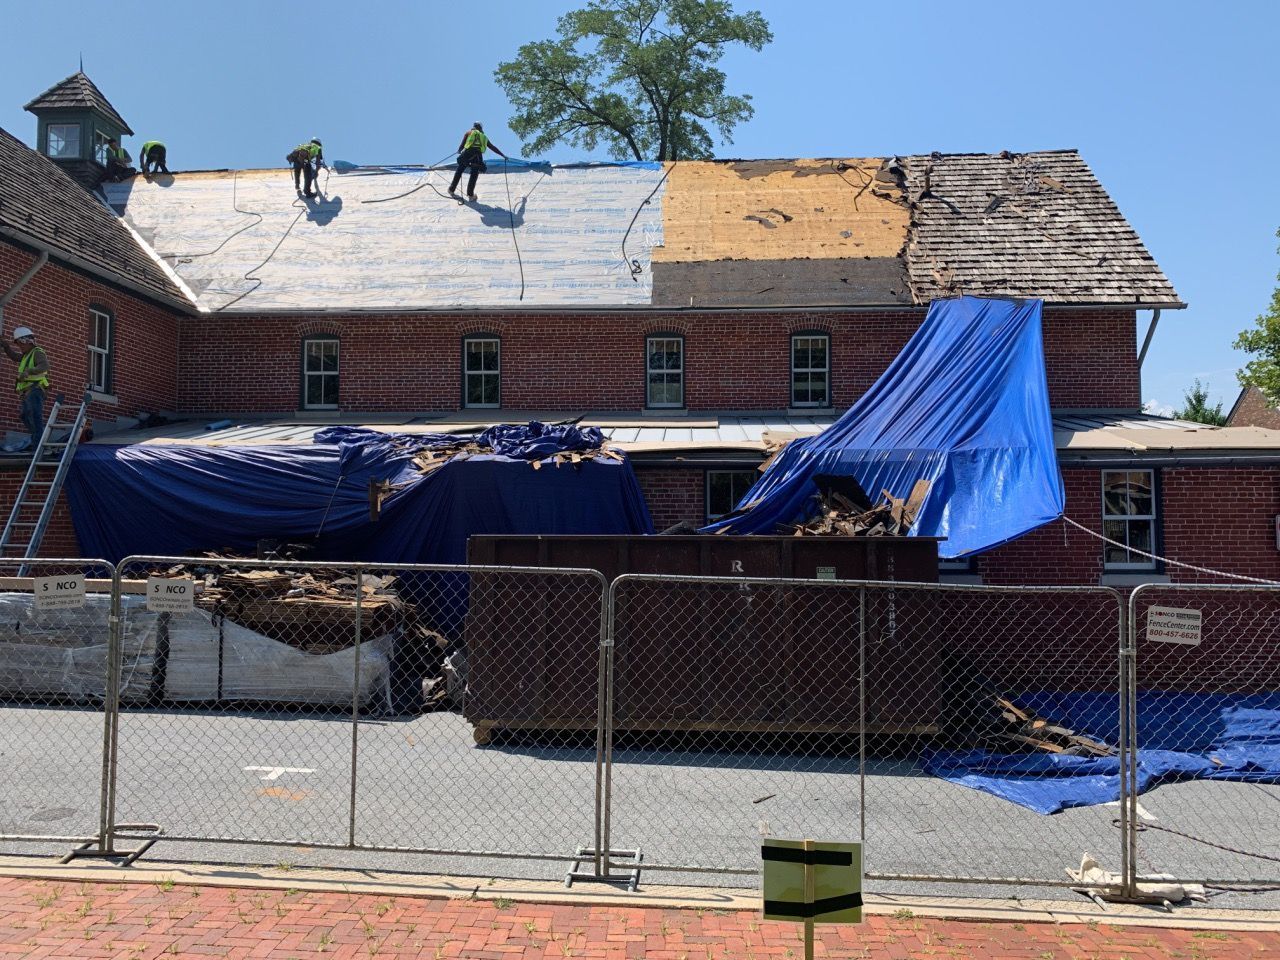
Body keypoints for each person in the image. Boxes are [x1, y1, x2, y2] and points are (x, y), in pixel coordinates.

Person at [1, 326, 50, 454]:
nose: (19, 347)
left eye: (20, 343)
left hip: (35, 389)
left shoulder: (37, 352)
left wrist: (29, 371)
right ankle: (36, 439)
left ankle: (38, 447)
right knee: (24, 416)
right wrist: (6, 347)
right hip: (27, 392)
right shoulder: (26, 355)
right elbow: (14, 357)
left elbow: (44, 366)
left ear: (27, 341)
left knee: (35, 417)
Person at [449, 122, 506, 201]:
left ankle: (451, 189)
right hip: (477, 156)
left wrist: (459, 150)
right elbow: (493, 147)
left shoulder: (469, 132)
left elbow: (462, 145)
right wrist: (503, 155)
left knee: (460, 169)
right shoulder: (484, 137)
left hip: (467, 153)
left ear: (474, 127)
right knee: (474, 174)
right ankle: (470, 195)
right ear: (481, 128)